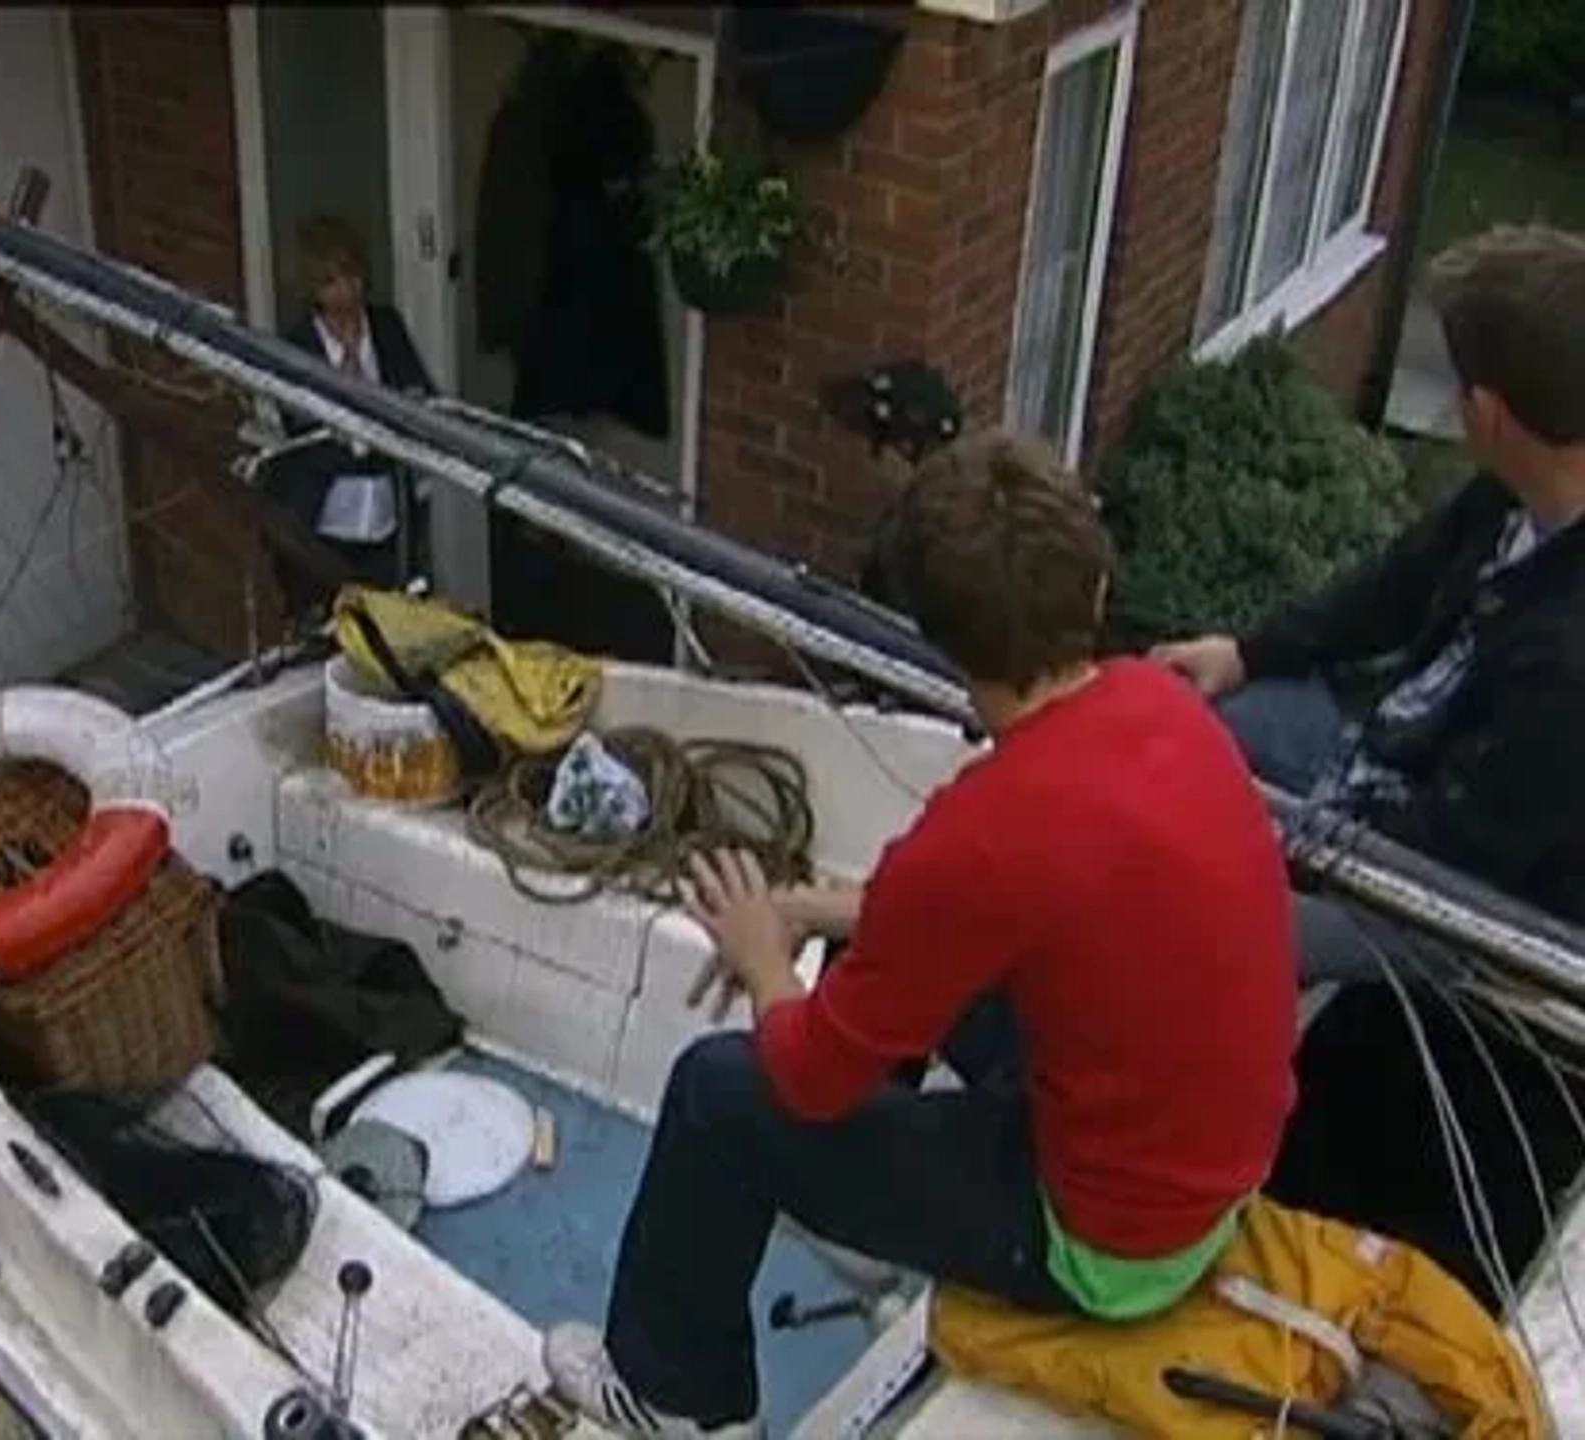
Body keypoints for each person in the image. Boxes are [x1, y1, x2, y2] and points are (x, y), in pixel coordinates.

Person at [542, 431, 1300, 1438]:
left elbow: (805, 1074)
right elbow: (1025, 908)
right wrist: (822, 912)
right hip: (1208, 1173)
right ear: (1098, 593)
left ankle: (674, 1401)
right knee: (873, 960)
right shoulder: (1166, 711)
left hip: (1107, 1248)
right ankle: (862, 1206)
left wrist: (767, 957)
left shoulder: (983, 831)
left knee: (717, 1095)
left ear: (942, 641)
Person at [1153, 226, 1585, 986]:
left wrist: (1273, 837)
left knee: (1183, 917)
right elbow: (1389, 591)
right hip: (1379, 765)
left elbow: (1460, 848)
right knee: (1175, 728)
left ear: (1486, 412)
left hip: (1446, 900)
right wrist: (1246, 653)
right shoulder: (1509, 497)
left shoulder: (1568, 664)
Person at [262, 214, 436, 618]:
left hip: (389, 524)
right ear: (314, 289)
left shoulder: (386, 325)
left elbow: (420, 396)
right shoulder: (296, 348)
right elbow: (305, 435)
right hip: (324, 529)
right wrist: (372, 435)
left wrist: (399, 421)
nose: (348, 290)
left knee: (394, 623)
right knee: (332, 630)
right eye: (333, 281)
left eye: (354, 275)